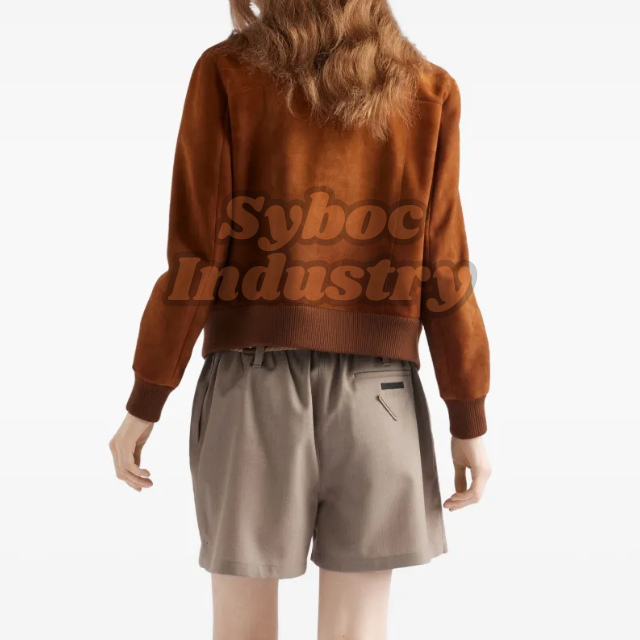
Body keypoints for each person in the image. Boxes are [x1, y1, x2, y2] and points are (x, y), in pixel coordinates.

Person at [109, 1, 492, 638]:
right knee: (357, 630)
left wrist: (145, 400)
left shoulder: (226, 73)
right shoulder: (429, 89)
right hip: (381, 398)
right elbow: (445, 269)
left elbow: (196, 256)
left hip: (252, 387)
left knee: (242, 629)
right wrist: (468, 417)